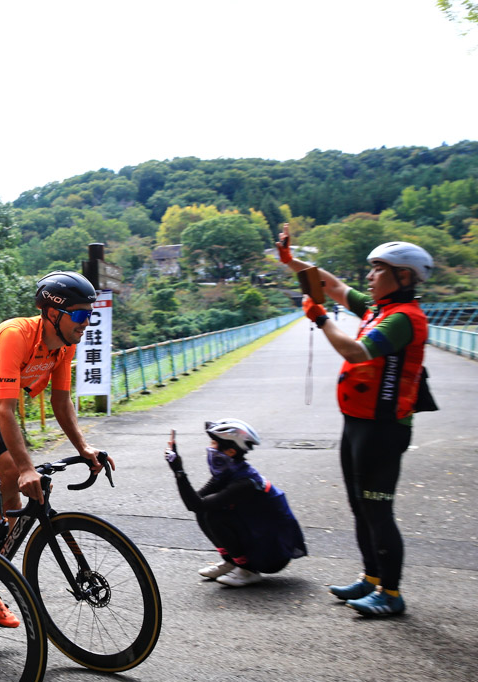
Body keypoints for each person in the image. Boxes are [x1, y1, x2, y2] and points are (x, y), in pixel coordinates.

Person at [277, 225, 433, 617]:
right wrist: (292, 262)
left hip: (383, 428)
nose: (369, 276)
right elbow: (332, 285)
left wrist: (320, 319)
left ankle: (391, 594)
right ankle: (372, 578)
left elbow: (357, 351)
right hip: (358, 422)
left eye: (378, 269)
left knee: (377, 510)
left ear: (404, 277)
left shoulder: (403, 318)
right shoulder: (379, 309)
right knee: (359, 507)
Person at [0, 270, 115, 626]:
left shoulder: (64, 346)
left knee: (12, 502)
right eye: (80, 315)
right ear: (53, 313)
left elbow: (61, 401)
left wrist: (84, 448)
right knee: (12, 472)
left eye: (91, 315)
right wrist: (25, 467)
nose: (86, 323)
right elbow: (3, 410)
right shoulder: (16, 335)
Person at [164, 419, 306, 587]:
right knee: (204, 511)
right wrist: (178, 469)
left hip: (272, 554)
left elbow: (195, 503)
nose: (210, 447)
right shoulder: (230, 471)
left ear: (230, 451)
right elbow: (196, 502)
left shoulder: (245, 482)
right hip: (257, 536)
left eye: (214, 443)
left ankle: (248, 570)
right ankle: (232, 562)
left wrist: (179, 471)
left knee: (213, 515)